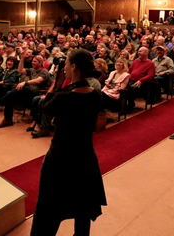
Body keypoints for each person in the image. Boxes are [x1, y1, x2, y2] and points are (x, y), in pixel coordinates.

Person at [30, 49, 107, 235]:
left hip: (60, 158)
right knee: (82, 207)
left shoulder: (63, 97)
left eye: (65, 65)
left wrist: (58, 81)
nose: (63, 68)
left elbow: (45, 107)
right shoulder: (96, 94)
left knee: (49, 206)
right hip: (85, 156)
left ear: (73, 67)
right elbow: (97, 126)